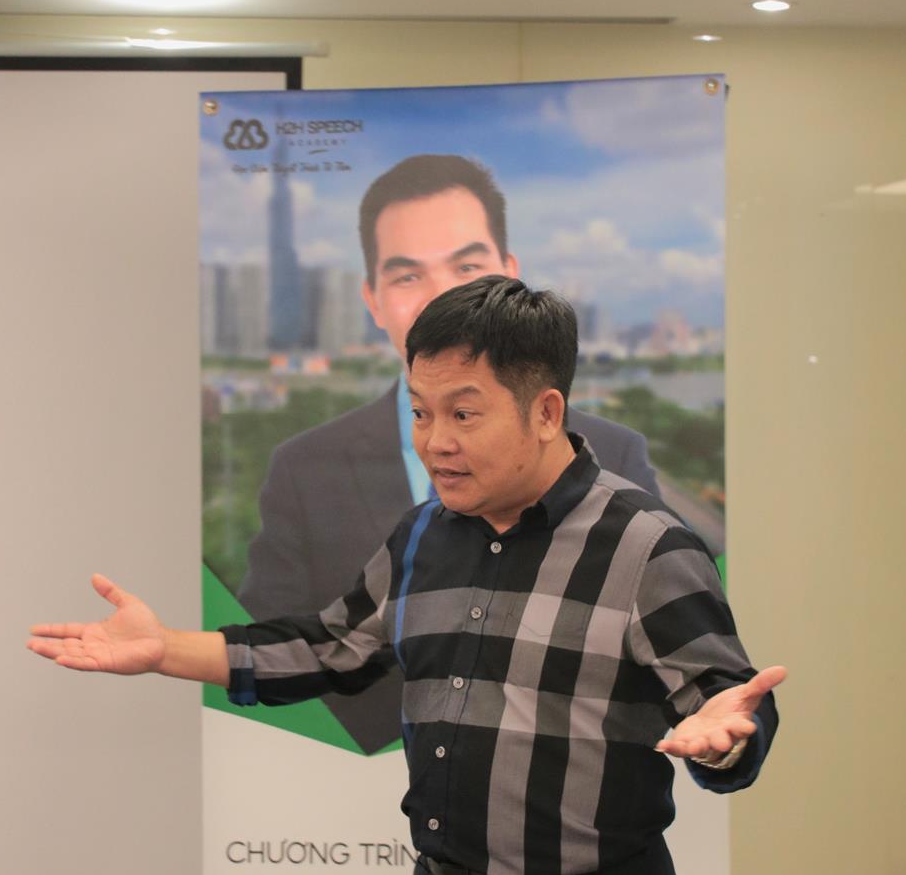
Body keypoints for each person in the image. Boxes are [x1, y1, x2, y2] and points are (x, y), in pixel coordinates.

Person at [29, 276, 784, 875]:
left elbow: (727, 703)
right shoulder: (426, 533)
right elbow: (332, 647)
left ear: (545, 410)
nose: (434, 442)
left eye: (464, 414)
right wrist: (167, 648)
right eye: (421, 412)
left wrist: (728, 738)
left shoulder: (646, 547)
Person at [239, 153, 658, 753]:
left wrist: (723, 734)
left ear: (511, 277)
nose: (444, 296)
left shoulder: (620, 462)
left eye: (467, 266)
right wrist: (167, 650)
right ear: (373, 299)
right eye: (408, 276)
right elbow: (301, 645)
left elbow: (688, 672)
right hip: (345, 774)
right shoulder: (304, 470)